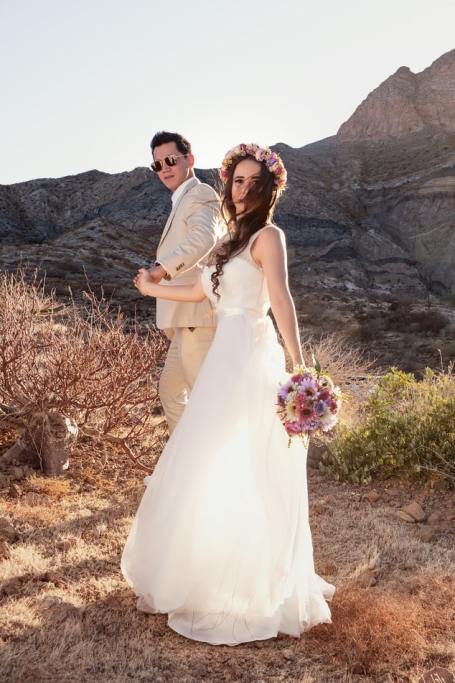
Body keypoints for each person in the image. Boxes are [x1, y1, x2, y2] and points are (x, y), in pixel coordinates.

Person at [121, 143, 335, 646]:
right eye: (237, 180)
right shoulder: (227, 242)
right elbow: (199, 292)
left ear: (269, 189)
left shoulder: (268, 237)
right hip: (223, 358)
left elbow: (281, 299)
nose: (243, 190)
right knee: (203, 456)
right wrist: (151, 289)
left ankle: (258, 579)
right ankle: (202, 568)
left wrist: (300, 366)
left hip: (254, 357)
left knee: (254, 460)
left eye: (254, 182)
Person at [147, 131, 223, 433]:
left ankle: (209, 457)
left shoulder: (201, 193)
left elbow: (204, 237)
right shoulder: (182, 200)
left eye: (171, 160)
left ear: (189, 159)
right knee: (170, 392)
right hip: (185, 324)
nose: (164, 168)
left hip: (198, 320)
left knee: (206, 402)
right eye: (157, 165)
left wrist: (161, 269)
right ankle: (187, 455)